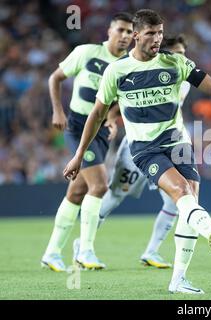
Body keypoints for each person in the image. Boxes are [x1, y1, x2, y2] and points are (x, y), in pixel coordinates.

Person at [63, 9, 211, 294]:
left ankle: (179, 279)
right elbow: (97, 114)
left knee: (188, 200)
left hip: (178, 143)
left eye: (159, 33)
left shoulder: (176, 63)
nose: (157, 38)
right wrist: (79, 154)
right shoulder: (117, 71)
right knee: (179, 192)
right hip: (145, 148)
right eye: (150, 33)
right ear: (136, 36)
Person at [73, 35, 191, 269]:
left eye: (183, 53)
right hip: (138, 148)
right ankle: (82, 244)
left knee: (175, 201)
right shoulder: (147, 74)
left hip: (168, 147)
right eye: (176, 52)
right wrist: (112, 119)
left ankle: (152, 251)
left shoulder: (183, 79)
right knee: (117, 194)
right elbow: (115, 103)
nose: (181, 57)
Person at [41, 12, 133, 272]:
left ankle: (51, 252)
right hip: (78, 125)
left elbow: (119, 101)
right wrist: (58, 110)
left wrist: (113, 118)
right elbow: (55, 78)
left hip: (101, 132)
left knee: (77, 192)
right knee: (100, 185)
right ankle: (86, 250)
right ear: (110, 31)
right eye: (121, 30)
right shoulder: (87, 52)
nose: (125, 36)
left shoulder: (129, 64)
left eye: (129, 32)